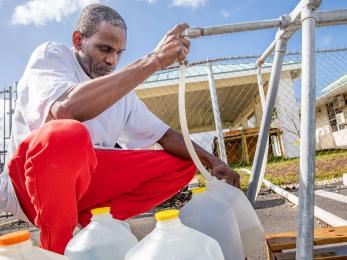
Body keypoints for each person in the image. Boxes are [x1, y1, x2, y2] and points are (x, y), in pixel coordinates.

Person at [0, 4, 240, 254]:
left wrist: (212, 162)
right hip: (29, 187)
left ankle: (97, 224)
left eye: (118, 52)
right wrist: (153, 60)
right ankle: (56, 249)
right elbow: (66, 109)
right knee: (68, 134)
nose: (112, 59)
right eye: (104, 49)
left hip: (82, 189)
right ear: (78, 40)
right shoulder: (53, 55)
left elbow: (165, 136)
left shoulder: (122, 94)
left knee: (185, 162)